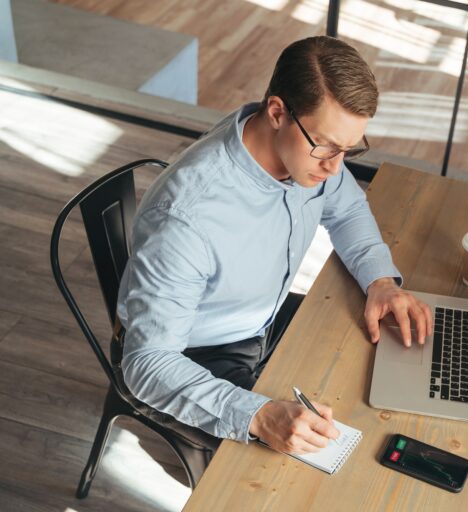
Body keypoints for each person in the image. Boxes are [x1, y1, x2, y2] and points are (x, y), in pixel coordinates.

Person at [116, 36, 432, 455]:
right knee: (309, 470)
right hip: (194, 358)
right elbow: (147, 364)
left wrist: (381, 282)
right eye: (326, 146)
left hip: (264, 318)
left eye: (348, 150)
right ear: (278, 112)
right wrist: (258, 415)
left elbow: (348, 210)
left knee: (389, 371)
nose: (336, 166)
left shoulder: (309, 155)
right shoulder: (186, 217)